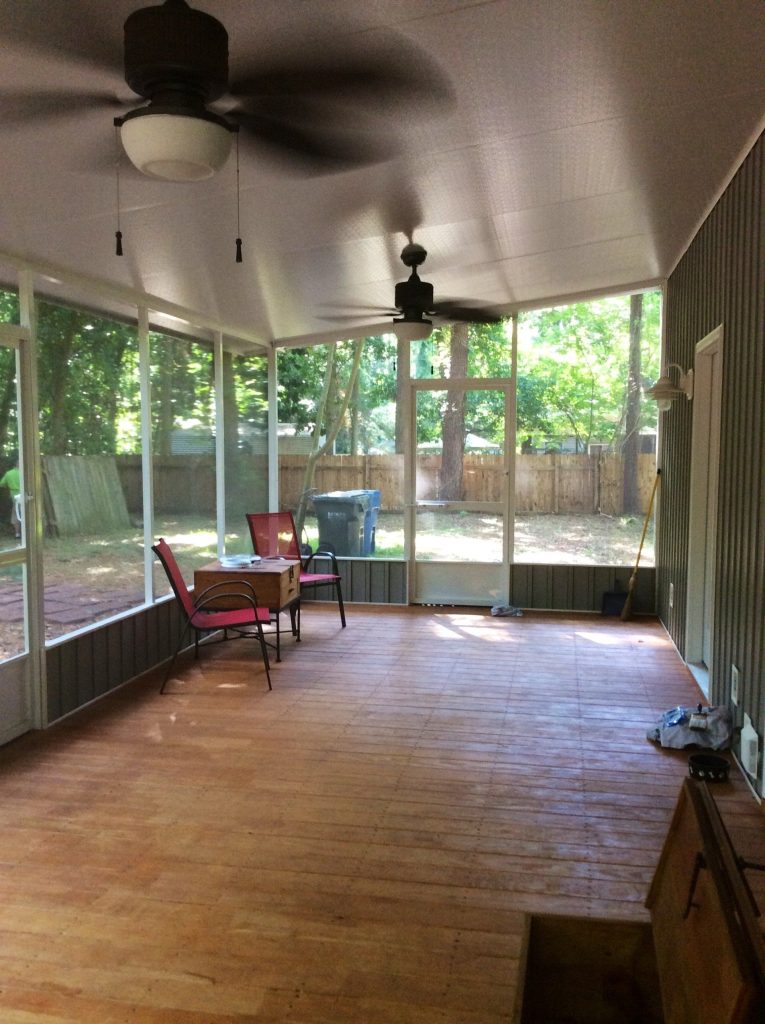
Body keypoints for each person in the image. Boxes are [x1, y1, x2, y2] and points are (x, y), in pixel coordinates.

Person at [0, 455, 21, 539]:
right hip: (26, 494)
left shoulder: (9, 473)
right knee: (27, 513)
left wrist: (10, 485)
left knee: (16, 514)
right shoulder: (26, 473)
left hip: (14, 495)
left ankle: (17, 534)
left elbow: (1, 484)